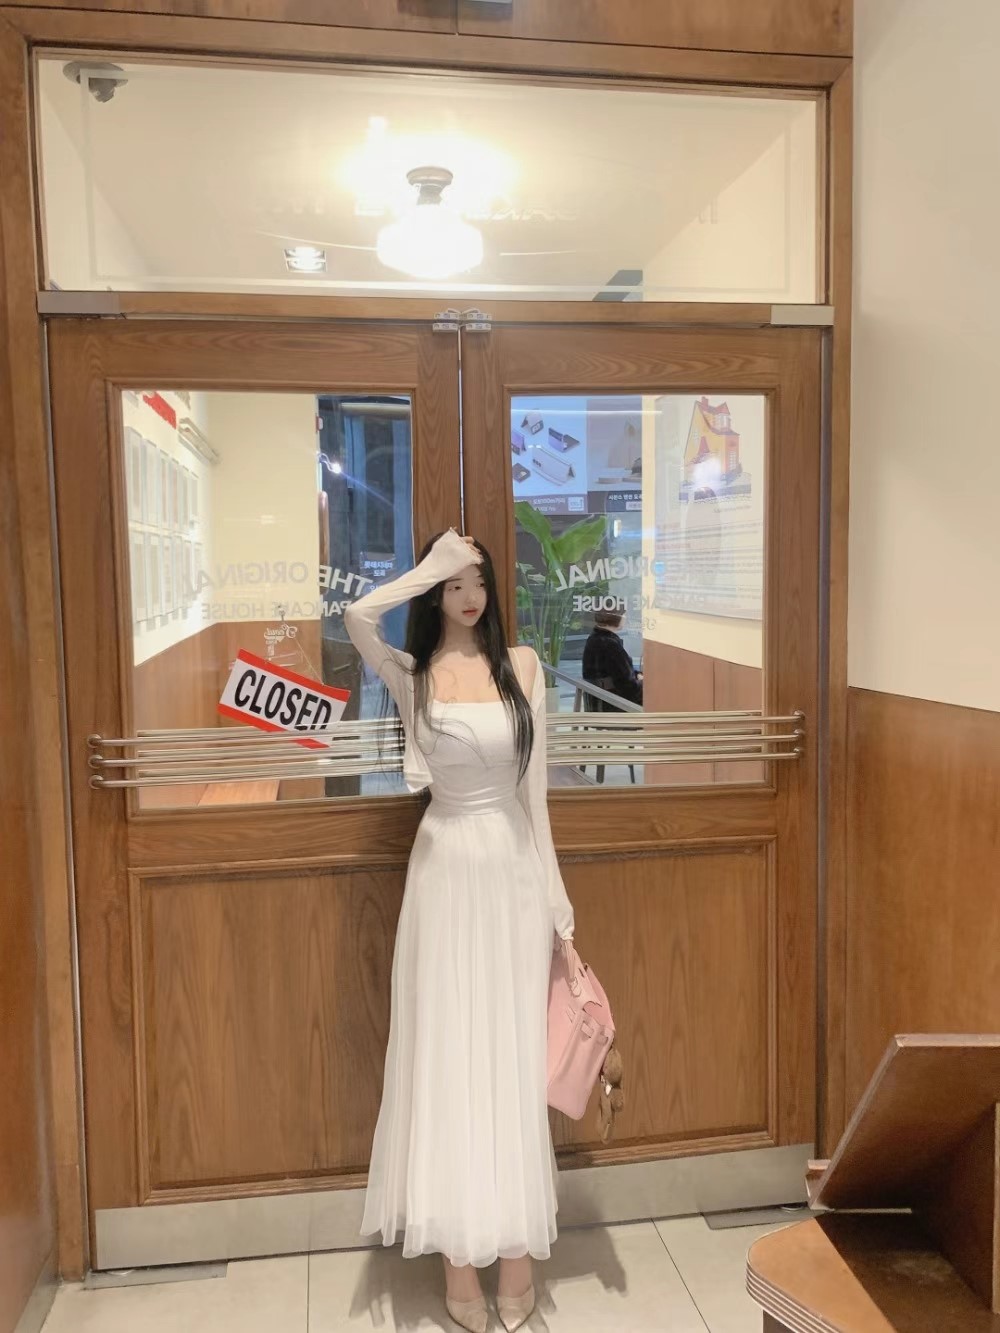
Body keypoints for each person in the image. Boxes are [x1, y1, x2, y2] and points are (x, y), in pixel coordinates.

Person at [343, 525, 575, 1333]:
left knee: (510, 1062)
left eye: (476, 580)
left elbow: (536, 798)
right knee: (448, 1059)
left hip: (510, 873)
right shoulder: (413, 674)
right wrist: (426, 567)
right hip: (442, 876)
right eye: (453, 583)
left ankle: (517, 1257)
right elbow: (357, 617)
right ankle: (459, 1268)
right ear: (435, 592)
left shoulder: (524, 667)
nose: (469, 595)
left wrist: (558, 907)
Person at [582, 607, 643, 708]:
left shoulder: (594, 638)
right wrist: (643, 683)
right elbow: (628, 686)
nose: (625, 618)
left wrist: (637, 675)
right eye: (623, 615)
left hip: (599, 701)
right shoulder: (610, 644)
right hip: (612, 704)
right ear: (615, 618)